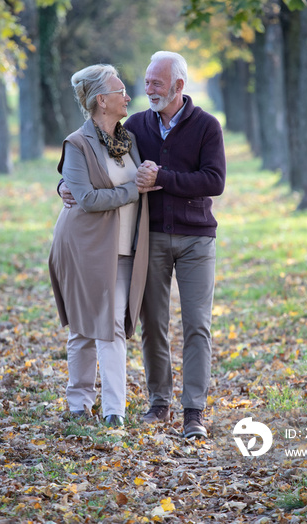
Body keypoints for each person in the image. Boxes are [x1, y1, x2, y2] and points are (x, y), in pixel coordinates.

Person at [61, 51, 226, 439]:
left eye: (155, 83)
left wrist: (163, 178)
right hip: (149, 240)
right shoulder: (135, 127)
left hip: (196, 238)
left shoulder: (206, 126)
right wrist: (64, 185)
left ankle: (193, 412)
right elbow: (90, 150)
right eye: (146, 81)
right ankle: (159, 403)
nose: (146, 89)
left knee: (197, 325)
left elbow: (214, 181)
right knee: (152, 324)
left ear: (178, 87)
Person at [48, 64, 155, 427]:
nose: (128, 96)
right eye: (120, 90)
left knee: (112, 324)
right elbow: (88, 198)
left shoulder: (130, 139)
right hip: (85, 247)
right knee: (86, 325)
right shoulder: (77, 143)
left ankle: (108, 408)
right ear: (102, 100)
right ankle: (98, 408)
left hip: (125, 248)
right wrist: (132, 190)